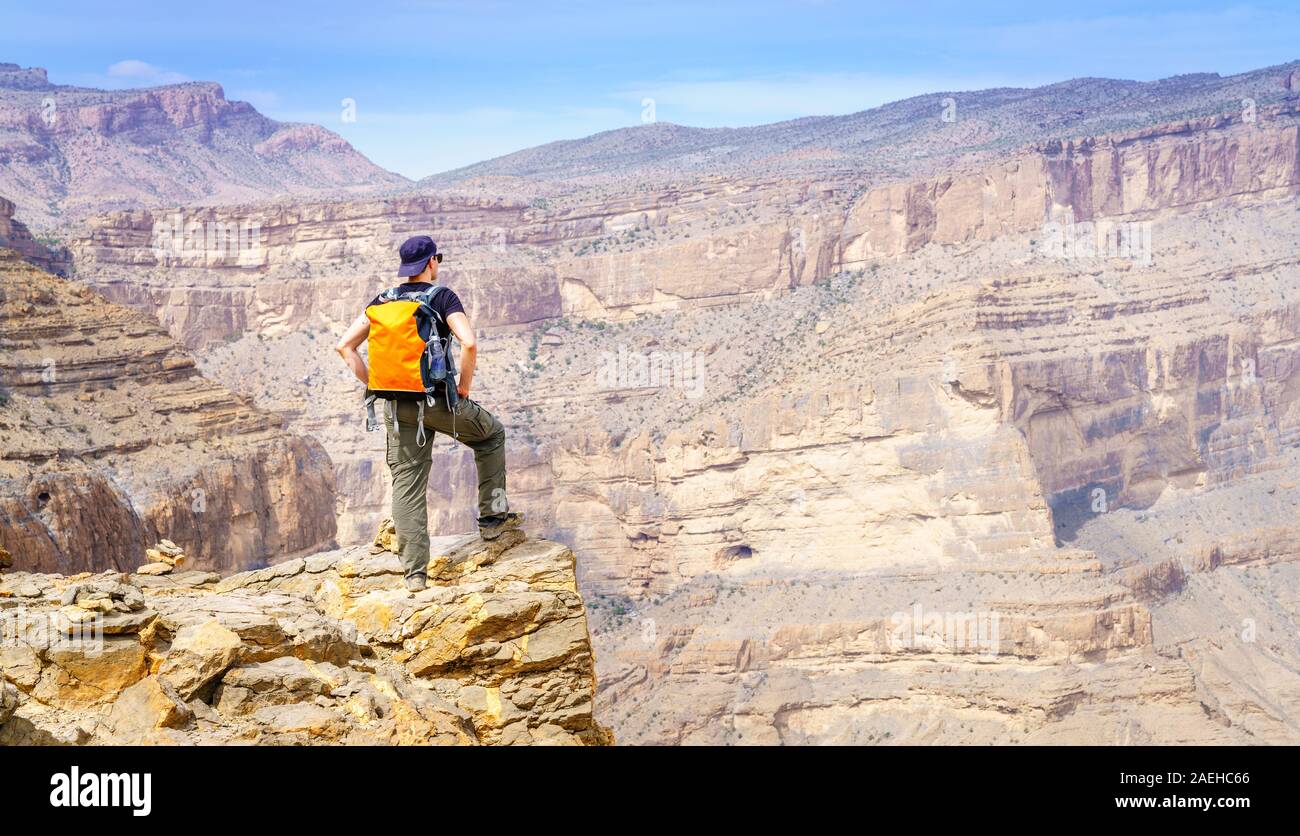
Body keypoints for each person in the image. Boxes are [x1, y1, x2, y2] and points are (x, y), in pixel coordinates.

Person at [336, 235, 520, 592]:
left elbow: (344, 346)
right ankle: (494, 519)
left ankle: (415, 575)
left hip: (396, 408)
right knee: (491, 435)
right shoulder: (442, 296)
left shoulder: (383, 300)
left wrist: (373, 384)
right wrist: (464, 386)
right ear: (432, 263)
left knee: (407, 484)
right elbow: (468, 342)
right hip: (440, 403)